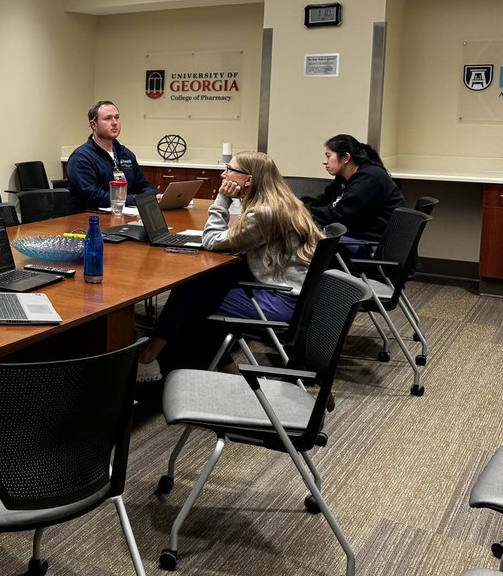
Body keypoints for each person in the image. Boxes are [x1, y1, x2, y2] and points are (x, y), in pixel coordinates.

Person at [135, 151, 321, 381]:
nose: (223, 175)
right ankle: (159, 355)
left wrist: (222, 199)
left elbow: (211, 241)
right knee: (206, 284)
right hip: (296, 296)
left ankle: (151, 358)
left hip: (280, 301)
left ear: (249, 179)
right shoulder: (284, 204)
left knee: (193, 298)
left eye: (229, 170)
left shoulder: (264, 213)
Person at [302, 133, 406, 242]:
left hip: (374, 245)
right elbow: (326, 201)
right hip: (360, 238)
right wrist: (301, 205)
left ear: (346, 157)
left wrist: (304, 211)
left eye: (328, 156)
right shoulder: (344, 178)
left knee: (313, 242)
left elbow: (338, 214)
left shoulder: (370, 177)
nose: (325, 162)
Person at [65, 100, 158, 211]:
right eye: (108, 118)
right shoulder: (81, 158)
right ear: (93, 125)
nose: (114, 122)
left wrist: (154, 196)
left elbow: (143, 185)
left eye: (117, 117)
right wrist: (136, 199)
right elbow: (95, 196)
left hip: (127, 215)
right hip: (92, 218)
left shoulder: (125, 154)